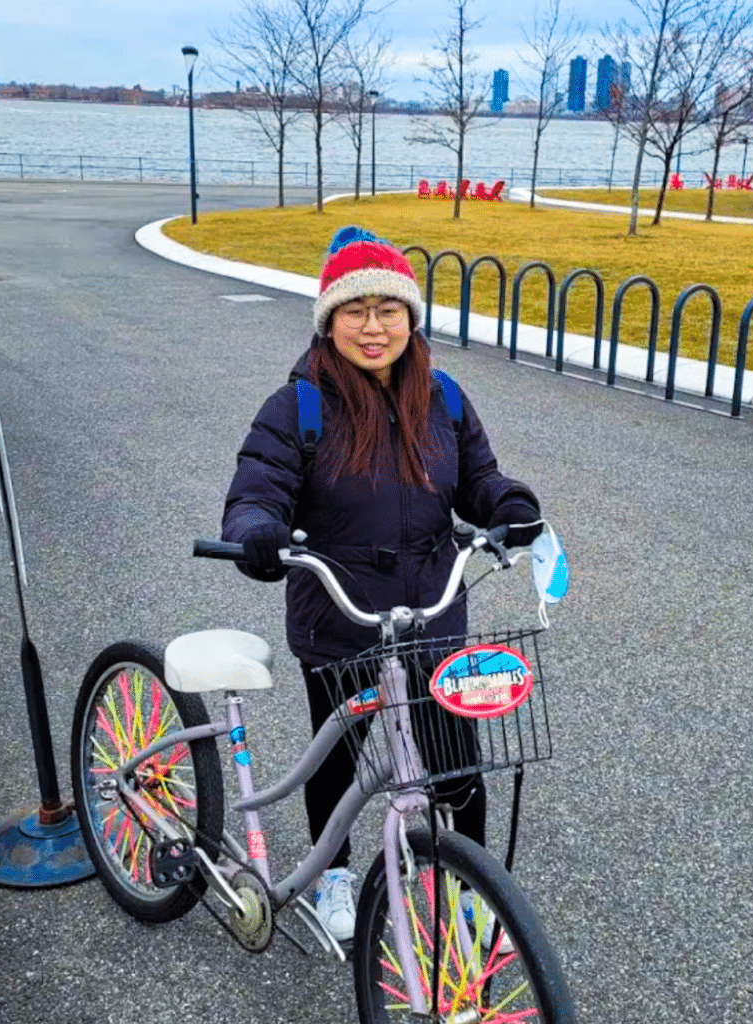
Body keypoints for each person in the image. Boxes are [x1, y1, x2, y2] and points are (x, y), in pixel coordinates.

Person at [222, 225, 542, 942]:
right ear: (328, 320)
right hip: (342, 623)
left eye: (387, 309)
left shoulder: (445, 398)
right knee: (335, 763)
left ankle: (467, 885)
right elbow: (256, 490)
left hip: (433, 616)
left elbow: (479, 481)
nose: (373, 327)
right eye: (355, 310)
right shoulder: (297, 407)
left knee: (458, 768)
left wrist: (508, 504)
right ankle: (331, 877)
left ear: (410, 317)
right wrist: (257, 533)